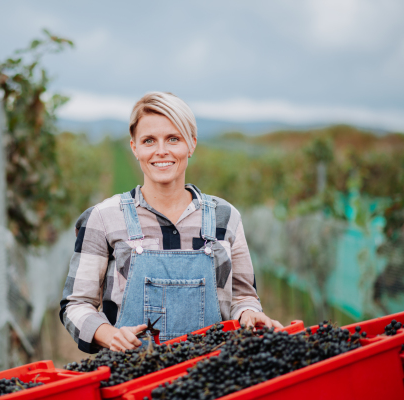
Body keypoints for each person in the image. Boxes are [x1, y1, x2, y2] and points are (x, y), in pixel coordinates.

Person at [59, 92, 282, 354]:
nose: (161, 150)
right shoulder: (104, 217)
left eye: (173, 139)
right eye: (149, 140)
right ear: (134, 148)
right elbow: (76, 304)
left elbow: (243, 296)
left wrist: (248, 314)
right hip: (131, 376)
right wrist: (109, 335)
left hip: (210, 376)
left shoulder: (226, 217)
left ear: (191, 144)